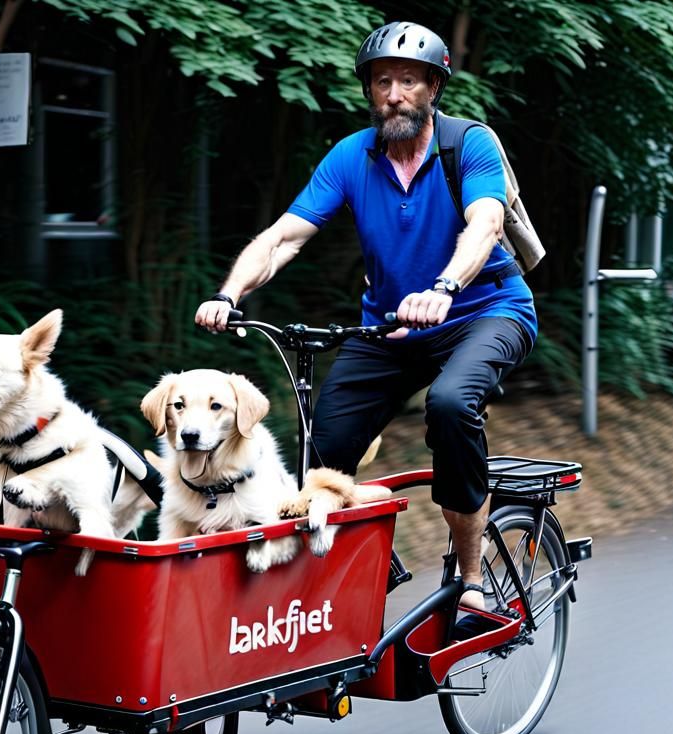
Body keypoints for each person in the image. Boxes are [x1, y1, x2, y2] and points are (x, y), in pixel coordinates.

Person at [194, 21, 536, 611]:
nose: (395, 93)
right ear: (369, 91)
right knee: (322, 451)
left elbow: (486, 223)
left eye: (409, 80)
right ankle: (344, 591)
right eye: (383, 81)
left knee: (452, 405)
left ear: (434, 87)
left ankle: (473, 580)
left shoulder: (468, 144)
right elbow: (283, 238)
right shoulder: (352, 156)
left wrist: (446, 286)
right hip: (392, 328)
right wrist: (229, 295)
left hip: (487, 311)